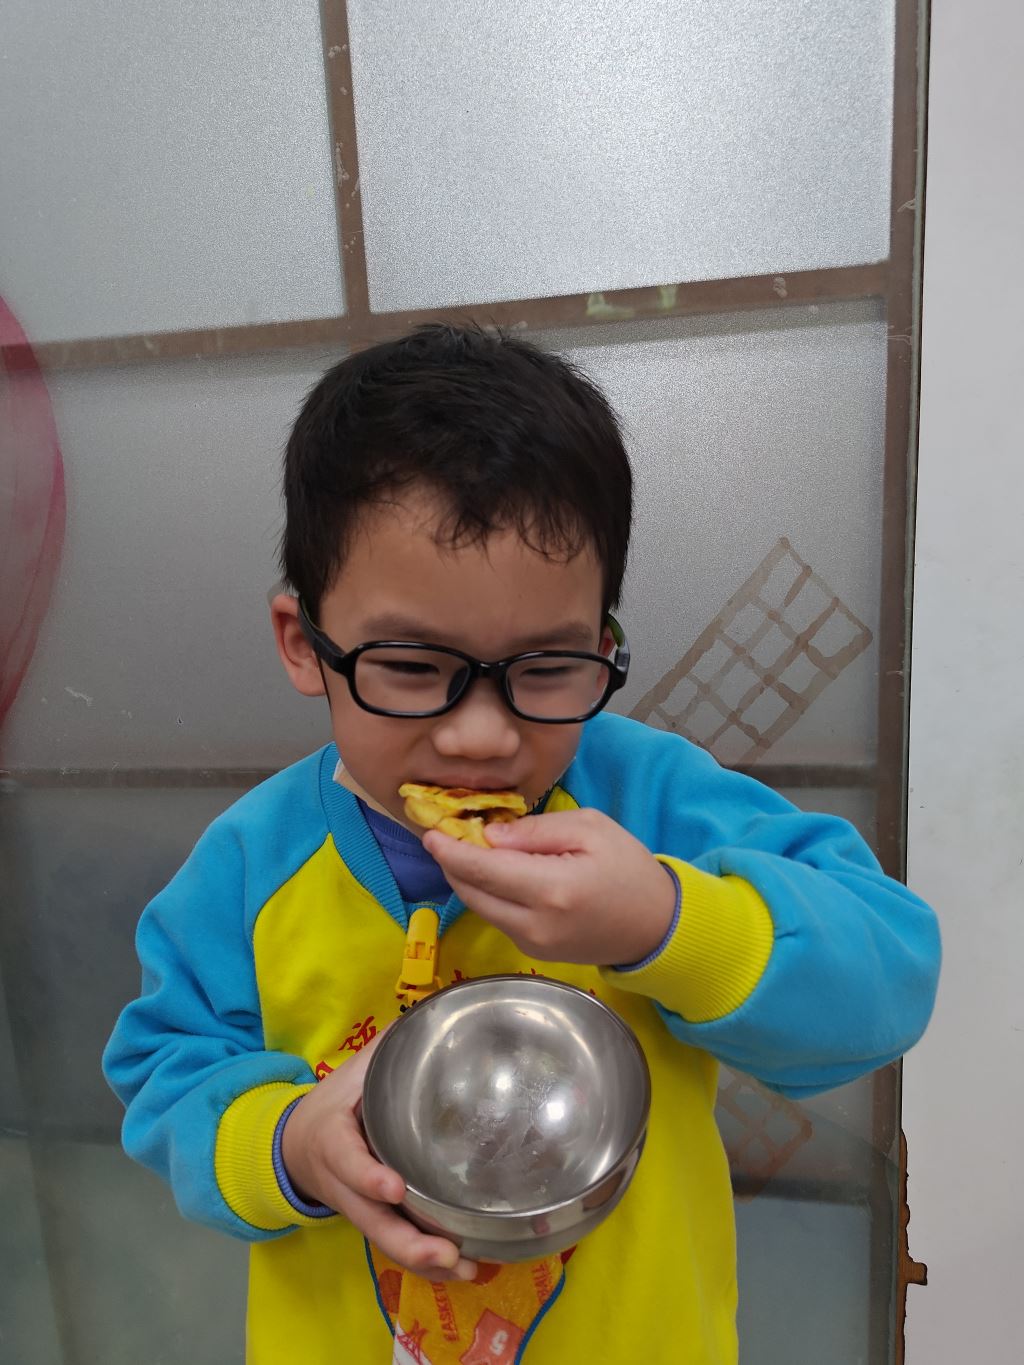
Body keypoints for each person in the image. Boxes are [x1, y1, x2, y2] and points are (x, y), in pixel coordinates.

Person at [103, 324, 940, 1365]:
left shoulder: (650, 803)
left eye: (544, 669)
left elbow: (890, 971)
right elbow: (166, 1074)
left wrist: (666, 923)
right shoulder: (249, 869)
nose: (481, 736)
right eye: (412, 667)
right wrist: (287, 1143)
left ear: (602, 644)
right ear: (303, 645)